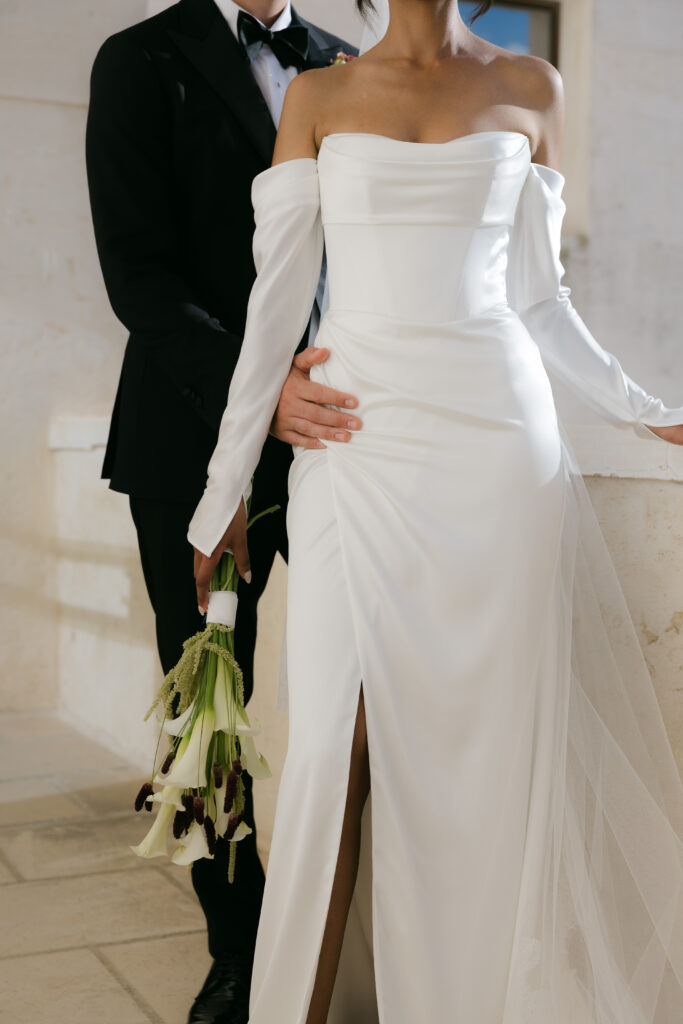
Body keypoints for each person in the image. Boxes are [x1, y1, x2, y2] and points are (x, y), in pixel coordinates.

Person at [188, 0, 683, 1021]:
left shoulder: (532, 87)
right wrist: (223, 487)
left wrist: (641, 411)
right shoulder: (318, 94)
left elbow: (541, 301)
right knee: (329, 745)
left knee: (491, 760)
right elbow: (273, 305)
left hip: (496, 451)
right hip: (353, 448)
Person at [84, 1, 358, 1021]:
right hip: (189, 438)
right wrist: (256, 392)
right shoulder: (139, 60)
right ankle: (237, 955)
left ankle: (346, 929)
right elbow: (137, 273)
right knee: (210, 709)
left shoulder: (343, 64)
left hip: (337, 438)